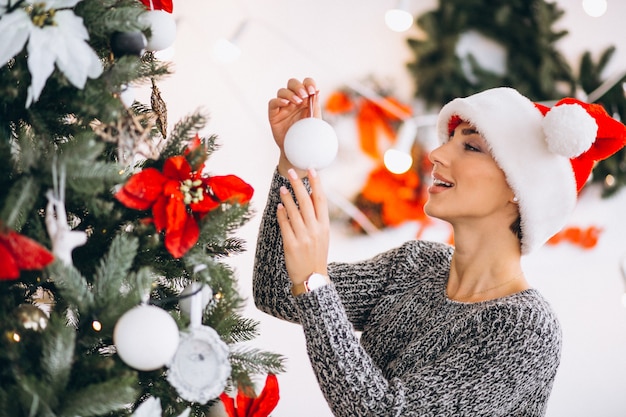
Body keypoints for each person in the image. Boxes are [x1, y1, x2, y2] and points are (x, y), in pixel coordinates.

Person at [252, 78, 626, 416]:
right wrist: (295, 160)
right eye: (449, 140)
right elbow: (278, 290)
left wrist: (315, 281)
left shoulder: (524, 329)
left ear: (519, 187)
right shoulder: (416, 264)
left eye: (471, 147)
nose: (437, 155)